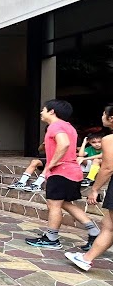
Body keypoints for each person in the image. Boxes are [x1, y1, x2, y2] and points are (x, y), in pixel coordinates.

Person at [24, 100, 99, 250]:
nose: (41, 112)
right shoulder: (69, 127)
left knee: (54, 205)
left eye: (43, 109)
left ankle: (51, 239)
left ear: (52, 111)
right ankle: (94, 231)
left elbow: (64, 144)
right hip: (73, 171)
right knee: (65, 203)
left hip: (62, 172)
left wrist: (51, 164)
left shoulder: (55, 125)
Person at [66, 104, 113, 270]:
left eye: (104, 114)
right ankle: (86, 258)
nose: (102, 117)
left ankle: (86, 259)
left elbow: (108, 167)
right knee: (108, 226)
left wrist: (94, 189)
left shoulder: (109, 139)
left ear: (111, 118)